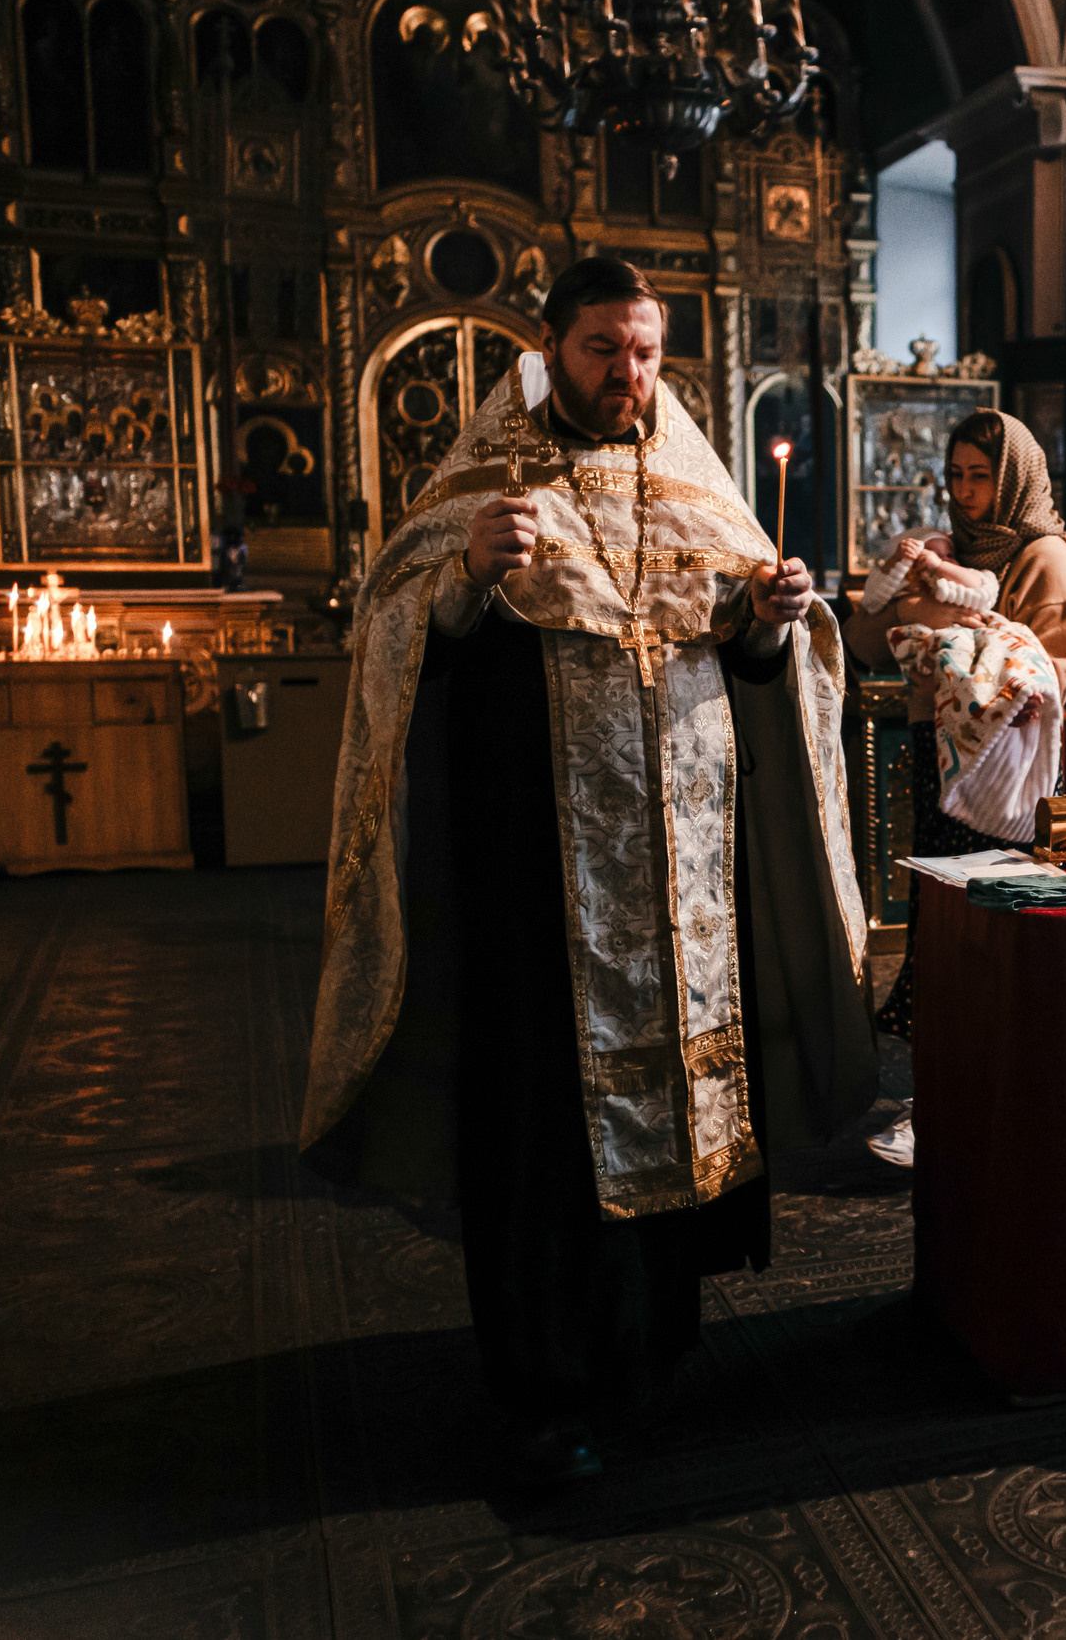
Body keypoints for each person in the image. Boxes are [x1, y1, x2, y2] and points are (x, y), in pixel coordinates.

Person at [301, 256, 878, 1483]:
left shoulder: (696, 476)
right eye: (604, 351)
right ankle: (543, 1384)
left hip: (688, 892)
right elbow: (397, 633)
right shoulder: (481, 477)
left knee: (675, 1109)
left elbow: (754, 659)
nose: (630, 376)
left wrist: (775, 614)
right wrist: (461, 575)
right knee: (545, 1137)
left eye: (648, 352)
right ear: (549, 350)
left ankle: (649, 1356)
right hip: (537, 890)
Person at [846, 411, 1066, 1161]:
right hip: (939, 754)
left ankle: (992, 1101)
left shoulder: (1047, 557)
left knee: (993, 935)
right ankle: (946, 1096)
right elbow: (864, 637)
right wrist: (908, 593)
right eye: (954, 475)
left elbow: (1045, 675)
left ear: (1013, 476)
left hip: (1002, 770)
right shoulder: (947, 551)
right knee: (941, 928)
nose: (965, 490)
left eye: (980, 475)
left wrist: (929, 617)